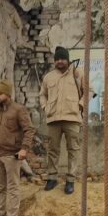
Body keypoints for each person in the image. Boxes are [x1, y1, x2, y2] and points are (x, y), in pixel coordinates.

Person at [0, 80, 35, 216]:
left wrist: (24, 149)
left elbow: (29, 130)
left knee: (13, 187)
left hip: (12, 156)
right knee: (0, 186)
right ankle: (0, 214)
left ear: (7, 94)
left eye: (0, 94)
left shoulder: (18, 110)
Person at [40, 46, 85, 195]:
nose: (60, 61)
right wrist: (45, 107)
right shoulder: (48, 77)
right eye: (57, 59)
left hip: (72, 118)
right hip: (53, 119)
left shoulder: (78, 74)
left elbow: (89, 91)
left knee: (73, 150)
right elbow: (42, 94)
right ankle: (52, 178)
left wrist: (80, 105)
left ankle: (70, 181)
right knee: (53, 150)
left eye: (62, 58)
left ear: (68, 59)